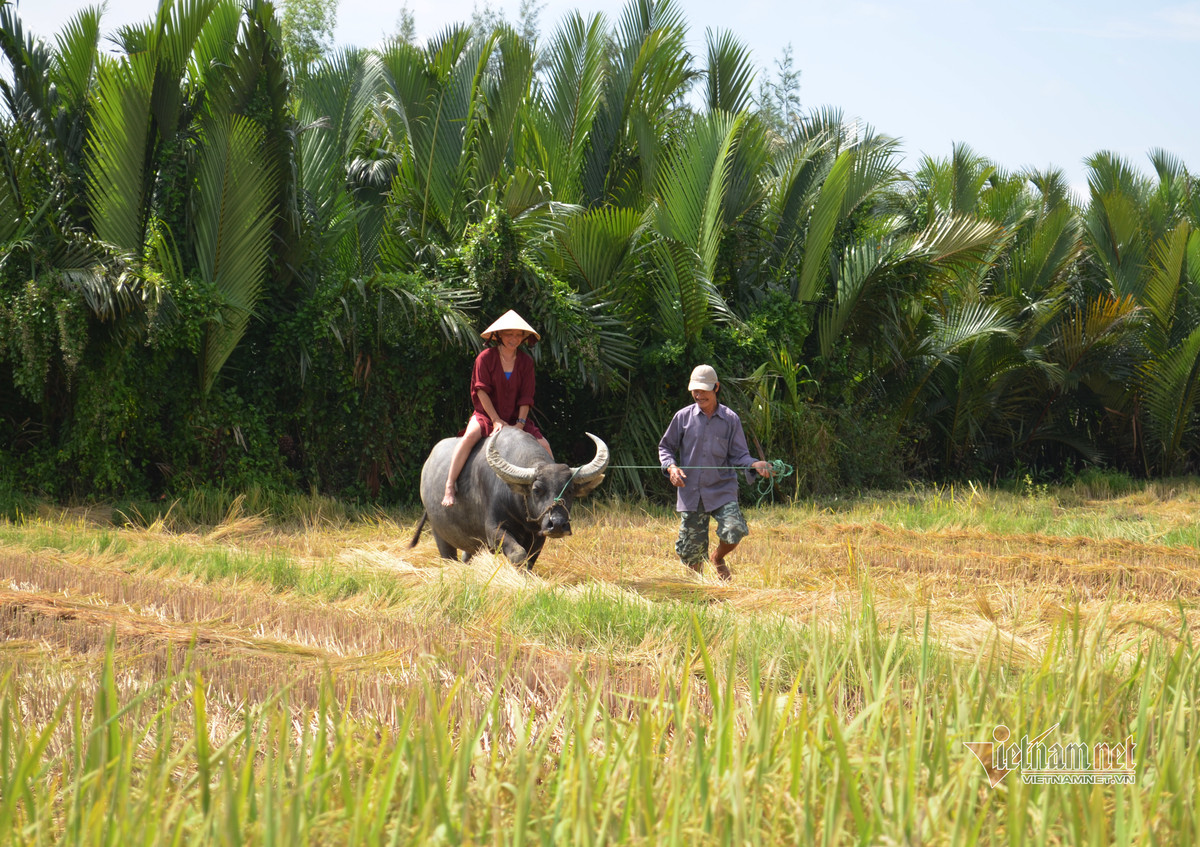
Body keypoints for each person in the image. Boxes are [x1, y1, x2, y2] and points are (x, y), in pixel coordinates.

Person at [658, 364, 772, 580]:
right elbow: (665, 448)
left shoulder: (730, 419)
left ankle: (717, 558)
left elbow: (740, 455)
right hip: (691, 491)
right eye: (695, 391)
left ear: (716, 388)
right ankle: (698, 591)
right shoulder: (682, 417)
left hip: (722, 489)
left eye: (703, 390)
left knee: (734, 529)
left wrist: (755, 464)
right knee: (691, 554)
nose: (698, 395)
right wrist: (671, 467)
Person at [442, 310, 553, 507]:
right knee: (469, 437)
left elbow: (526, 397)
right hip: (486, 415)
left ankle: (556, 490)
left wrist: (520, 424)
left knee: (544, 445)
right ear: (499, 335)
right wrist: (495, 420)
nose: (514, 339)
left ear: (524, 337)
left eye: (518, 335)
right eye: (509, 334)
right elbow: (481, 391)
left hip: (516, 417)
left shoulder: (526, 362)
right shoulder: (485, 358)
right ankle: (449, 486)